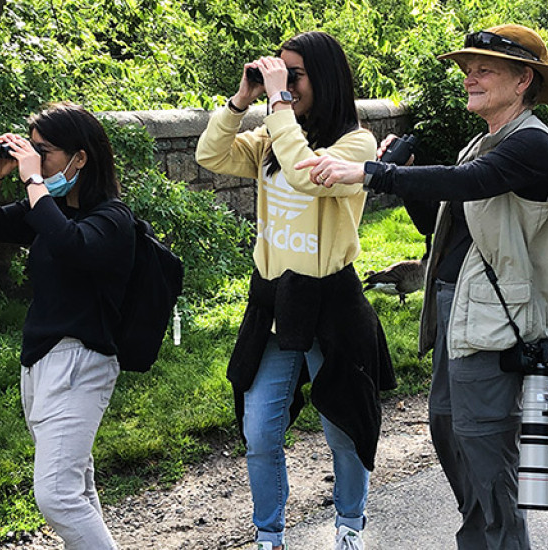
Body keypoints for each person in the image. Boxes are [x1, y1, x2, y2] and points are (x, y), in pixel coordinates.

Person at [296, 24, 548, 549]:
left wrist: (373, 173)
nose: (469, 76)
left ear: (523, 81)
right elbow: (443, 228)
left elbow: (470, 183)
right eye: (468, 68)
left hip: (497, 323)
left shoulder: (532, 142)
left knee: (488, 455)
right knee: (451, 435)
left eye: (484, 68)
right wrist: (412, 178)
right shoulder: (482, 142)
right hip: (460, 315)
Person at [195, 31, 396, 550]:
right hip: (273, 301)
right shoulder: (270, 138)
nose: (280, 85)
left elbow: (308, 176)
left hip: (329, 302)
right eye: (277, 74)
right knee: (260, 431)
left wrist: (277, 106)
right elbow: (209, 154)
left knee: (342, 430)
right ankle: (269, 535)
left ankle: (350, 525)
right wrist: (243, 99)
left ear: (323, 80)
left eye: (294, 75)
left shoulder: (357, 145)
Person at [0, 102, 134, 550]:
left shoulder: (112, 219)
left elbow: (71, 246)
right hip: (40, 361)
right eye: (32, 149)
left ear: (80, 158)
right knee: (76, 487)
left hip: (83, 359)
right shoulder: (49, 207)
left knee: (57, 494)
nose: (34, 159)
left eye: (46, 151)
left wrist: (33, 179)